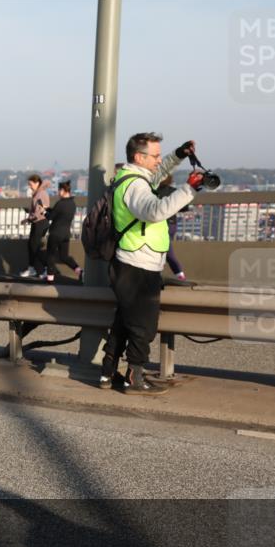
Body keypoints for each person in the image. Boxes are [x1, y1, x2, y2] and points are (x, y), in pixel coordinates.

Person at [100, 133, 202, 394]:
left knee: (125, 320)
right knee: (143, 326)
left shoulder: (135, 178)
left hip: (135, 261)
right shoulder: (135, 186)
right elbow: (155, 211)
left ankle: (107, 373)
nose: (159, 160)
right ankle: (135, 379)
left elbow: (161, 170)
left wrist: (179, 154)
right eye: (155, 156)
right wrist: (189, 189)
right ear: (139, 157)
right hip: (138, 264)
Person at [43, 181, 82, 283]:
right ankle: (79, 271)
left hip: (55, 233)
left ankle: (50, 279)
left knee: (50, 255)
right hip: (65, 234)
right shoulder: (72, 204)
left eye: (59, 190)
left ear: (64, 191)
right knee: (64, 256)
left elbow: (51, 217)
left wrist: (43, 211)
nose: (58, 192)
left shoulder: (60, 203)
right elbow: (59, 214)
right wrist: (49, 209)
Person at [156, 175, 188, 282]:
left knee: (163, 250)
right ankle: (176, 273)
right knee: (166, 248)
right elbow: (184, 207)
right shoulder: (174, 192)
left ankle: (179, 273)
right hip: (172, 223)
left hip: (159, 224)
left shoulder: (153, 191)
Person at [19, 175, 50, 277]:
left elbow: (39, 212)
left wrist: (28, 219)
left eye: (30, 184)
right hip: (39, 222)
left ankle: (47, 269)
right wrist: (30, 212)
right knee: (32, 246)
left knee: (34, 247)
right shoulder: (39, 193)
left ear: (37, 183)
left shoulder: (40, 194)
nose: (30, 186)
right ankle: (34, 268)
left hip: (40, 222)